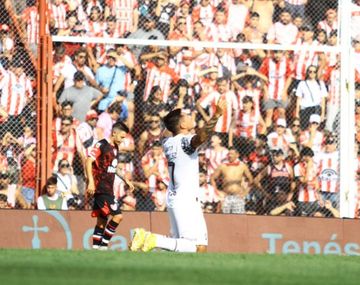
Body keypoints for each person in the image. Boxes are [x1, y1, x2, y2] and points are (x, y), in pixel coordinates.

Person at [130, 98, 226, 253]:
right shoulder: (184, 142)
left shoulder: (168, 142)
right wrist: (216, 115)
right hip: (185, 198)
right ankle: (150, 238)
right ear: (181, 125)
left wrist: (176, 110)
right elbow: (201, 138)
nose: (190, 116)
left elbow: (169, 129)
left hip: (177, 196)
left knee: (200, 247)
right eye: (186, 116)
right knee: (192, 247)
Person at [86, 121, 134, 250]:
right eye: (122, 137)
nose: (123, 141)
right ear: (114, 133)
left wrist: (125, 179)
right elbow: (88, 160)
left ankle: (96, 249)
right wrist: (91, 181)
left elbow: (113, 167)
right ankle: (104, 245)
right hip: (101, 188)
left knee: (102, 221)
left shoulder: (115, 148)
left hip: (108, 189)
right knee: (118, 216)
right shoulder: (102, 144)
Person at [210, 147, 253, 214]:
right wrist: (217, 192)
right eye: (228, 154)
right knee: (225, 218)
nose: (229, 155)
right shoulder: (222, 166)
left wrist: (245, 193)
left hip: (238, 196)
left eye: (232, 154)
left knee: (238, 218)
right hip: (226, 196)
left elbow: (251, 180)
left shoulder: (242, 166)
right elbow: (212, 178)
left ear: (237, 155)